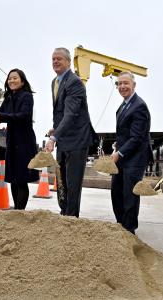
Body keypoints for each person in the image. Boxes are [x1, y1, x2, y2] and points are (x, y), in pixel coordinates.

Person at [45, 47, 97, 217]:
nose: (55, 61)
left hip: (77, 140)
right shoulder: (55, 82)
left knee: (73, 182)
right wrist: (56, 128)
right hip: (64, 138)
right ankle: (64, 212)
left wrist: (54, 137)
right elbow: (62, 113)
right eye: (53, 59)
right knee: (61, 180)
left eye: (59, 58)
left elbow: (71, 113)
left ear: (68, 61)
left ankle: (72, 218)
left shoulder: (75, 82)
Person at [0, 69, 39, 209]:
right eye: (9, 78)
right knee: (12, 178)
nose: (11, 81)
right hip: (11, 141)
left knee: (21, 179)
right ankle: (16, 211)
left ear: (22, 81)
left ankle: (19, 211)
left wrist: (1, 117)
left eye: (15, 78)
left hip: (24, 141)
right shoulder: (9, 97)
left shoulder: (27, 96)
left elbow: (23, 115)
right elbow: (0, 113)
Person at [111, 72, 152, 234]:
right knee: (116, 192)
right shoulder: (123, 105)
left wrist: (119, 153)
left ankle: (129, 230)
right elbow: (125, 133)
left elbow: (137, 138)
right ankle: (120, 225)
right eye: (119, 84)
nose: (122, 87)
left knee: (130, 195)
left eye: (126, 83)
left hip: (134, 158)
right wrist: (117, 145)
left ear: (134, 85)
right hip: (122, 156)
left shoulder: (139, 106)